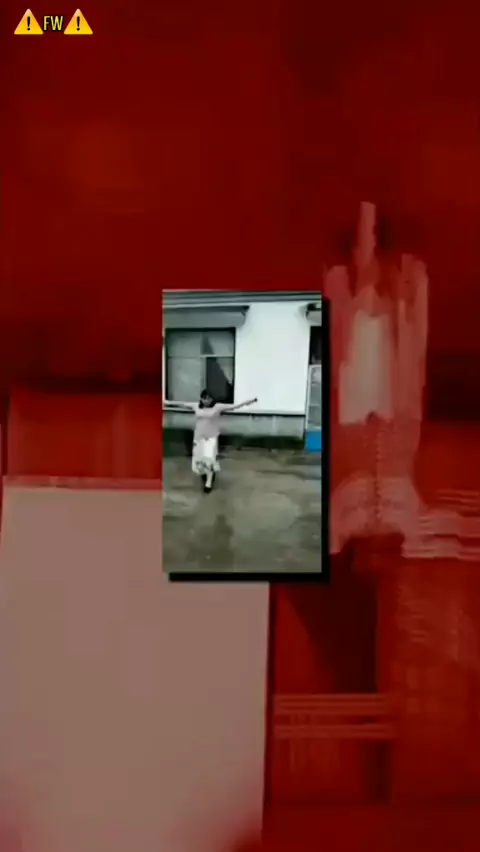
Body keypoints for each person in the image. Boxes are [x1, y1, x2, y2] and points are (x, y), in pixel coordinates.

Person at [164, 390, 258, 492]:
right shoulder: (196, 405)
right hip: (199, 437)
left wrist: (248, 401)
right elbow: (182, 404)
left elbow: (235, 406)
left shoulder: (217, 407)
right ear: (201, 398)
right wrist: (167, 402)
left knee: (209, 459)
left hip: (211, 437)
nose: (206, 400)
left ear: (212, 399)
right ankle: (205, 474)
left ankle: (208, 483)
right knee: (200, 459)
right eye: (204, 398)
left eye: (208, 398)